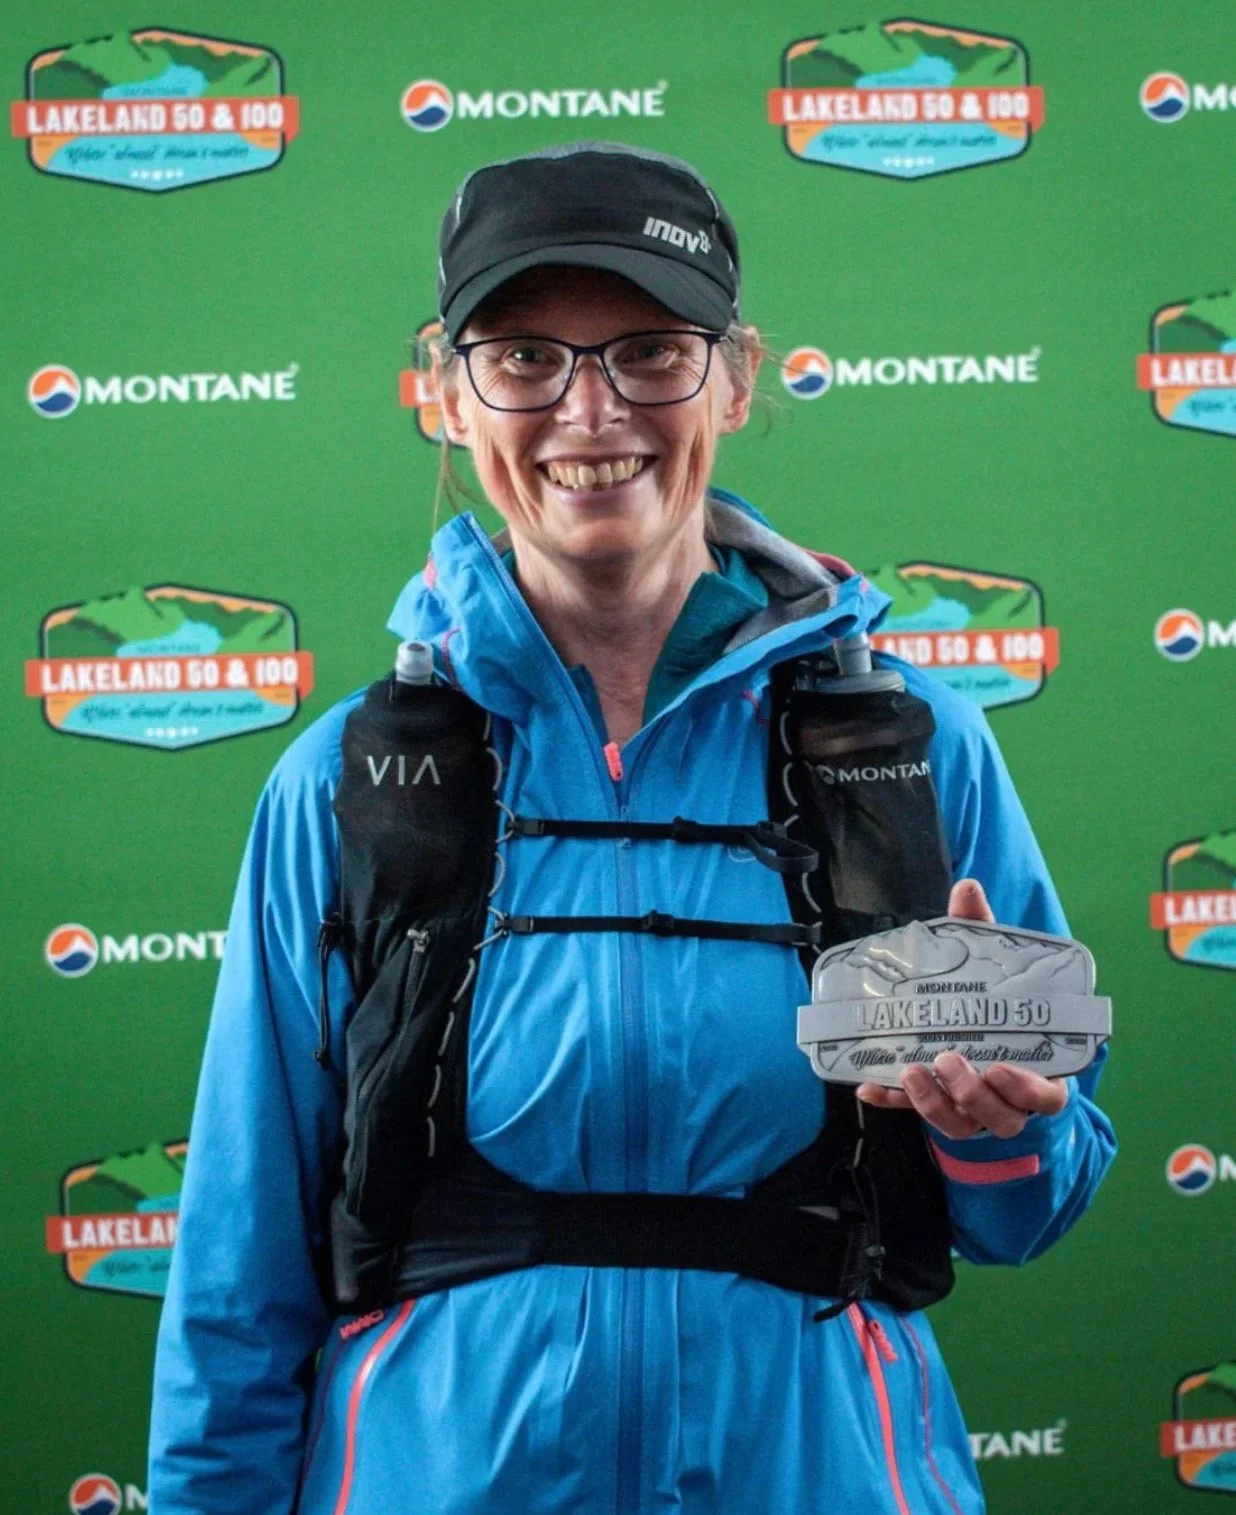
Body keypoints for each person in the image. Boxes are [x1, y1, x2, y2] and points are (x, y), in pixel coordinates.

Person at [148, 141, 1116, 1515]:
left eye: (650, 351)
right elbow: (239, 1276)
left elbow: (1034, 1203)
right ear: (447, 393)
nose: (588, 411)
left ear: (733, 375)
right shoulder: (348, 780)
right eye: (525, 356)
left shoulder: (909, 753)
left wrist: (995, 1126)